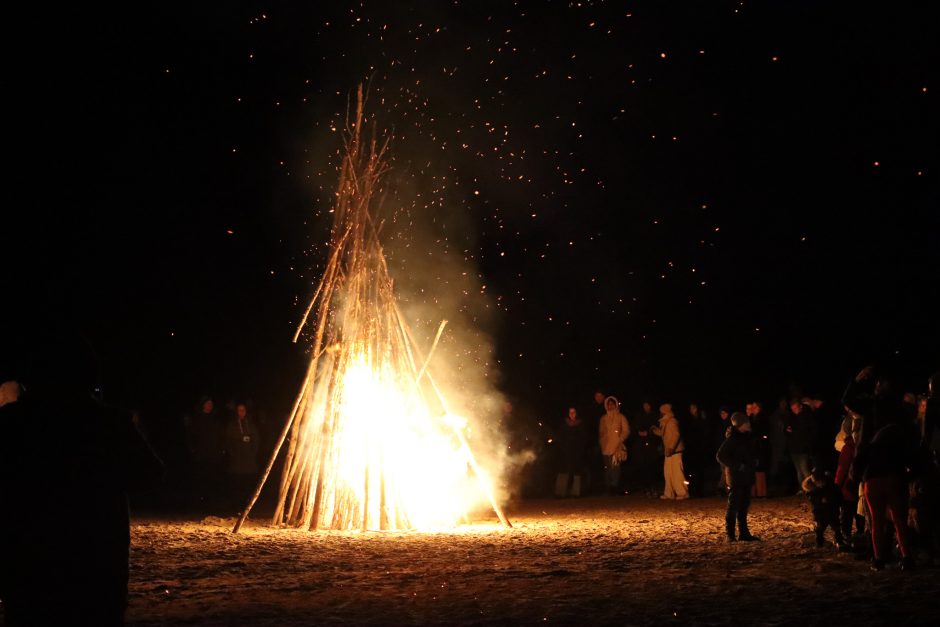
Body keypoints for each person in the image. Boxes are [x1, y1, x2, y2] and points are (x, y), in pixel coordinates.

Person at [0, 331, 164, 626]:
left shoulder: (13, 423)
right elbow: (149, 475)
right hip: (95, 564)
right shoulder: (108, 425)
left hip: (29, 566)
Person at [716, 412, 760, 542]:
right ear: (740, 425)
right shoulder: (732, 439)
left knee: (744, 506)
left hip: (747, 476)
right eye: (746, 423)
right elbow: (720, 456)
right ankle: (730, 534)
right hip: (736, 478)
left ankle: (744, 533)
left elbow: (750, 452)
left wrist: (755, 460)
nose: (749, 424)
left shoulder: (747, 437)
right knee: (733, 506)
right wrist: (737, 466)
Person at [652, 403, 688, 499]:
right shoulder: (666, 422)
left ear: (665, 412)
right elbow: (665, 434)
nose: (660, 414)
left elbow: (676, 435)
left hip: (675, 451)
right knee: (668, 473)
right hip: (669, 451)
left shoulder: (672, 421)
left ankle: (683, 493)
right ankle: (669, 493)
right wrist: (656, 431)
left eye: (661, 412)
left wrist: (671, 448)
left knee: (677, 473)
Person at [801, 467, 845, 548]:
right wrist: (820, 500)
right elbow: (812, 500)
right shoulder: (811, 489)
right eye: (817, 482)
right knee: (819, 529)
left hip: (832, 511)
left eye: (821, 481)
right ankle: (819, 543)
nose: (820, 483)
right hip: (820, 513)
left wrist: (833, 501)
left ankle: (839, 541)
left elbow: (838, 496)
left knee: (837, 528)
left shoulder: (831, 485)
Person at [599, 396, 630, 495]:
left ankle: (614, 487)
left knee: (615, 468)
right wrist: (602, 440)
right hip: (606, 447)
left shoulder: (621, 417)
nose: (610, 406)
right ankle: (607, 487)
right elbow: (601, 431)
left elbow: (626, 430)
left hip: (616, 446)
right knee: (607, 468)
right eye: (608, 404)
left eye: (612, 404)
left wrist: (620, 439)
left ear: (615, 405)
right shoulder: (603, 418)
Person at [554, 407, 588, 497]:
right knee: (563, 471)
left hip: (577, 451)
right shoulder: (564, 424)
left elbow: (584, 437)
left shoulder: (580, 423)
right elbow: (560, 436)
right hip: (565, 451)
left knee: (577, 472)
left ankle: (576, 493)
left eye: (574, 412)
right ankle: (560, 492)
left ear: (576, 413)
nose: (572, 414)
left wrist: (580, 448)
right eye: (570, 412)